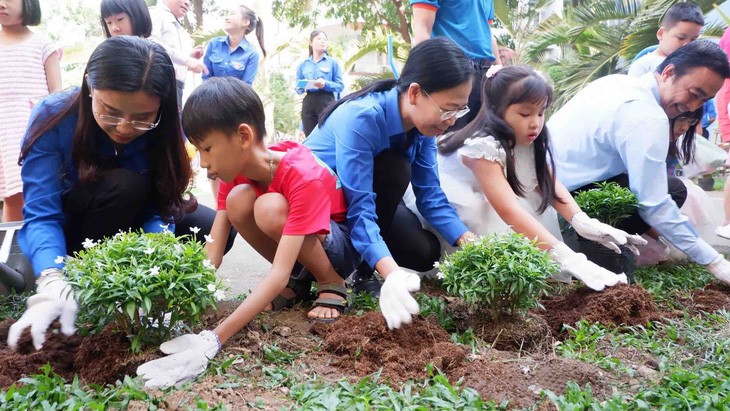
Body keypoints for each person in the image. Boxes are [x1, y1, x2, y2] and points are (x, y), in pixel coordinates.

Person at [6, 36, 231, 351]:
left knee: (213, 229)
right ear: (89, 87)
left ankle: (132, 286)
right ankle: (81, 282)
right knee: (125, 185)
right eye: (110, 111)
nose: (125, 127)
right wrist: (52, 275)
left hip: (131, 221)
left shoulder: (165, 127)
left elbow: (159, 206)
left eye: (142, 118)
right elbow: (42, 213)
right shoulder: (53, 116)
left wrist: (155, 258)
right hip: (75, 230)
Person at [135, 76, 360, 388]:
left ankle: (330, 282)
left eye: (208, 148)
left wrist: (213, 340)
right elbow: (212, 253)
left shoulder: (301, 174)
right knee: (241, 201)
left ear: (243, 135)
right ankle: (300, 284)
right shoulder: (233, 173)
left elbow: (276, 274)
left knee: (268, 207)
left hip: (338, 248)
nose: (202, 162)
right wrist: (166, 304)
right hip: (296, 248)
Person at [304, 37, 478, 329]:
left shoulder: (423, 128)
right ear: (414, 93)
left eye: (459, 111)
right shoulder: (362, 118)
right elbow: (360, 207)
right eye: (448, 109)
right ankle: (355, 269)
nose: (452, 121)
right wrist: (391, 272)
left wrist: (469, 242)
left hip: (368, 199)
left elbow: (431, 196)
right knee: (395, 169)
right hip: (324, 211)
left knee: (424, 253)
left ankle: (368, 258)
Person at [430, 65, 640, 290]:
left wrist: (583, 222)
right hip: (470, 205)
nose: (535, 123)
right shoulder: (482, 147)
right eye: (525, 113)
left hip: (503, 199)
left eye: (541, 113)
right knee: (491, 230)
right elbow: (508, 210)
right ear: (496, 109)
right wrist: (571, 259)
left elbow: (547, 184)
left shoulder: (531, 138)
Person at [548, 40, 730, 286]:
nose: (692, 107)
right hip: (563, 205)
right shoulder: (648, 117)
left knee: (664, 186)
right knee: (672, 190)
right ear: (668, 72)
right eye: (694, 94)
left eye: (703, 101)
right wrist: (713, 261)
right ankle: (592, 247)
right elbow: (653, 203)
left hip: (545, 186)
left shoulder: (613, 82)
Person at [0, 0, 61, 222]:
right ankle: (11, 253)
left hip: (33, 129)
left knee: (40, 192)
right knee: (11, 196)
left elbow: (56, 95)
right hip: (3, 133)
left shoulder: (43, 45)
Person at [410, 0, 502, 130]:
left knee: (483, 139)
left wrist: (499, 67)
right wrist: (428, 75)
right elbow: (421, 28)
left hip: (485, 73)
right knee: (449, 137)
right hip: (452, 70)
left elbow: (486, 32)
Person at [149, 0, 206, 108]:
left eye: (189, 1)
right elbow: (151, 43)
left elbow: (171, 54)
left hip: (176, 86)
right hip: (160, 82)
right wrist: (186, 60)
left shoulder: (176, 23)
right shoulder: (156, 13)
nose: (188, 3)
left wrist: (189, 56)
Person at [627, 2, 703, 77]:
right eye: (680, 38)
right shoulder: (643, 65)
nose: (687, 44)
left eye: (693, 40)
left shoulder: (694, 66)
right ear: (661, 34)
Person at [295, 29, 344, 136]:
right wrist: (305, 84)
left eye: (325, 40)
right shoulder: (304, 64)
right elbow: (297, 87)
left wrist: (325, 84)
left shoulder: (332, 63)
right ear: (311, 43)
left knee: (327, 134)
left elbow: (340, 86)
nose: (323, 41)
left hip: (326, 100)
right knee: (310, 136)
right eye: (319, 39)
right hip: (309, 100)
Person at [202, 5, 265, 86]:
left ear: (245, 22)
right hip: (210, 96)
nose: (226, 18)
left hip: (235, 98)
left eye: (232, 13)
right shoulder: (214, 43)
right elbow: (205, 77)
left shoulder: (252, 54)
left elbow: (246, 87)